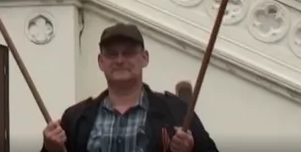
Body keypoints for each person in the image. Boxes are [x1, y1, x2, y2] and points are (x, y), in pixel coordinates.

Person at [42, 22, 220, 152]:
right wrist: (50, 149)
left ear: (145, 58)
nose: (120, 60)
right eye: (112, 54)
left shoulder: (177, 111)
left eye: (128, 52)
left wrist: (191, 149)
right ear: (100, 62)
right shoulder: (75, 118)